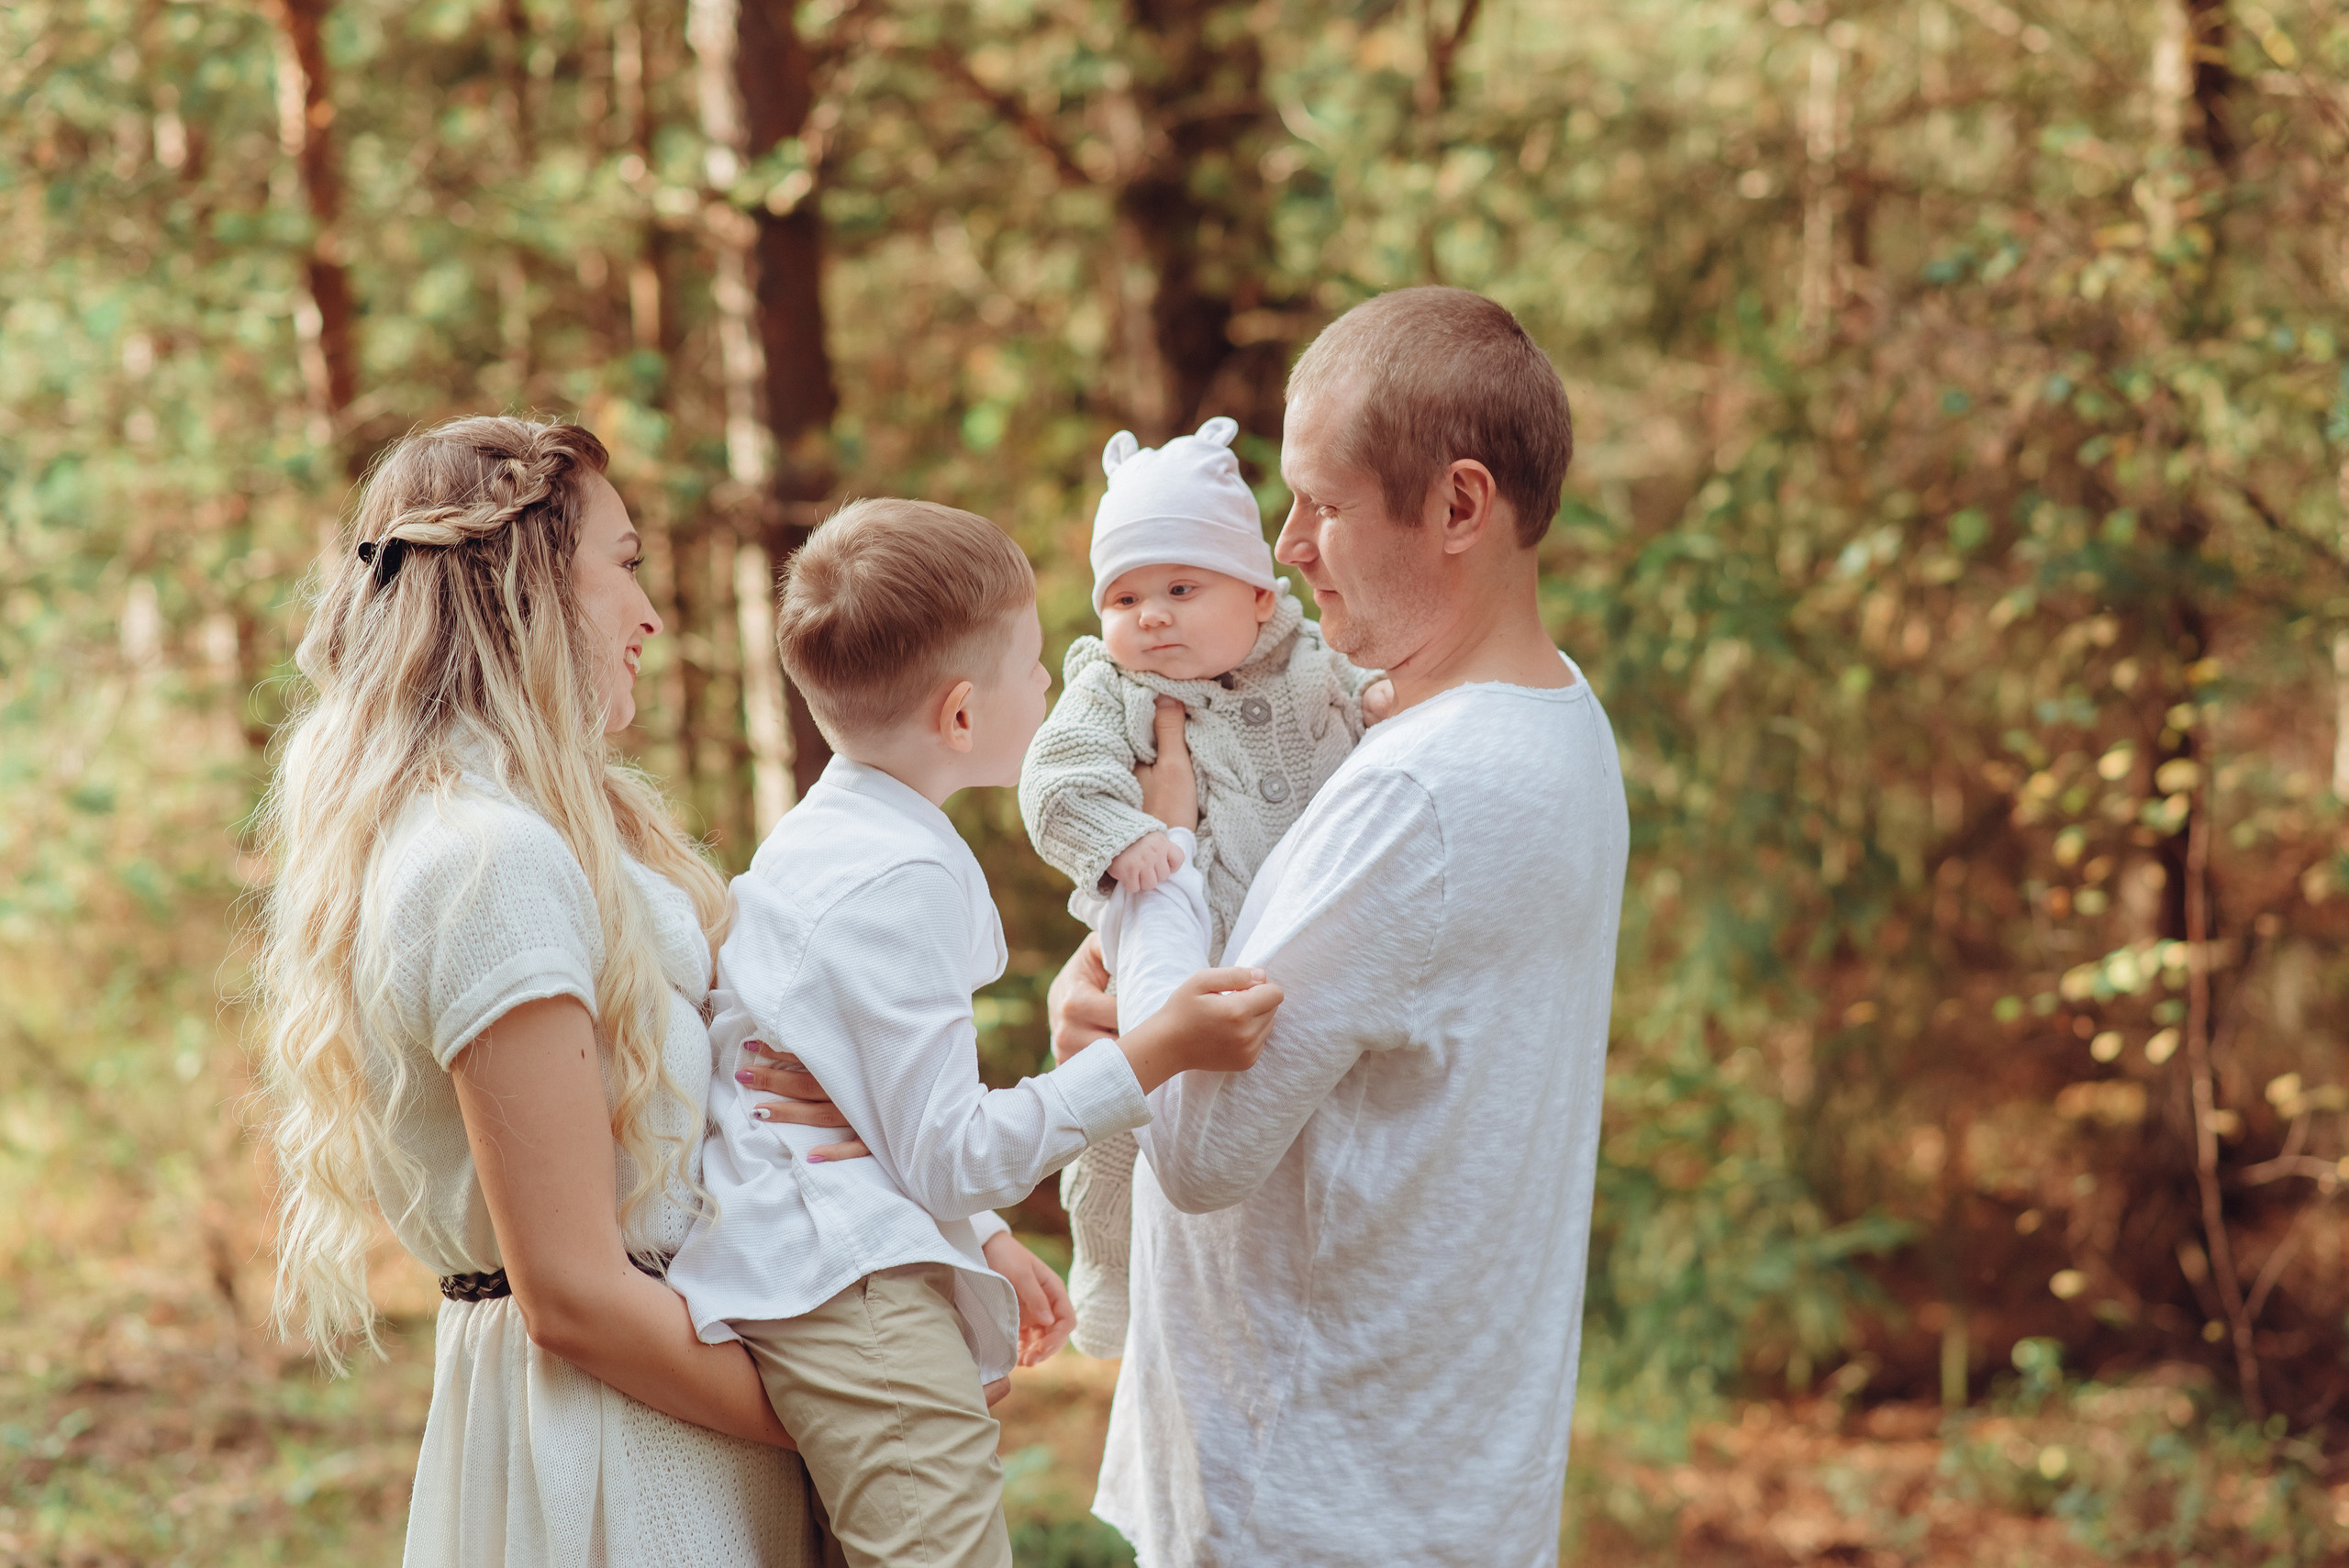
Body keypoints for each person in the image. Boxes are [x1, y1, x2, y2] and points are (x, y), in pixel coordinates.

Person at [253, 416, 1022, 1565]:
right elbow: (571, 1291)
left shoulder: (547, 836)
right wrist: (871, 1418)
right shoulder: (488, 862)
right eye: (624, 562)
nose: (651, 613)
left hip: (676, 1398)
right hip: (623, 1449)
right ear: (526, 588)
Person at [1049, 286, 1631, 1565]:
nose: (1289, 547)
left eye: (1321, 503)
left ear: (1461, 506)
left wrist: (1156, 871)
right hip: (1431, 1487)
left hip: (1306, 1505)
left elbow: (1199, 1148)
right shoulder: (1561, 717)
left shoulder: (1415, 798)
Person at [667, 498, 1285, 1568]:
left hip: (812, 1265)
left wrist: (984, 1236)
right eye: (1036, 666)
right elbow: (949, 1148)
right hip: (852, 1291)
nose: (1052, 687)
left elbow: (872, 1108)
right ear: (961, 716)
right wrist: (1157, 1049)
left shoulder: (821, 835)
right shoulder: (900, 877)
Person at [1018, 416, 1386, 1358]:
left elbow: (1379, 704)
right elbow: (1054, 777)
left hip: (1289, 957)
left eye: (1182, 587)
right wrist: (1126, 833)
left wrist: (1382, 703)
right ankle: (1104, 1265)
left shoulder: (1314, 661)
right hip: (1161, 941)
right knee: (1109, 1112)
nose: (1151, 615)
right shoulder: (1110, 686)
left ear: (1260, 598)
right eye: (1126, 595)